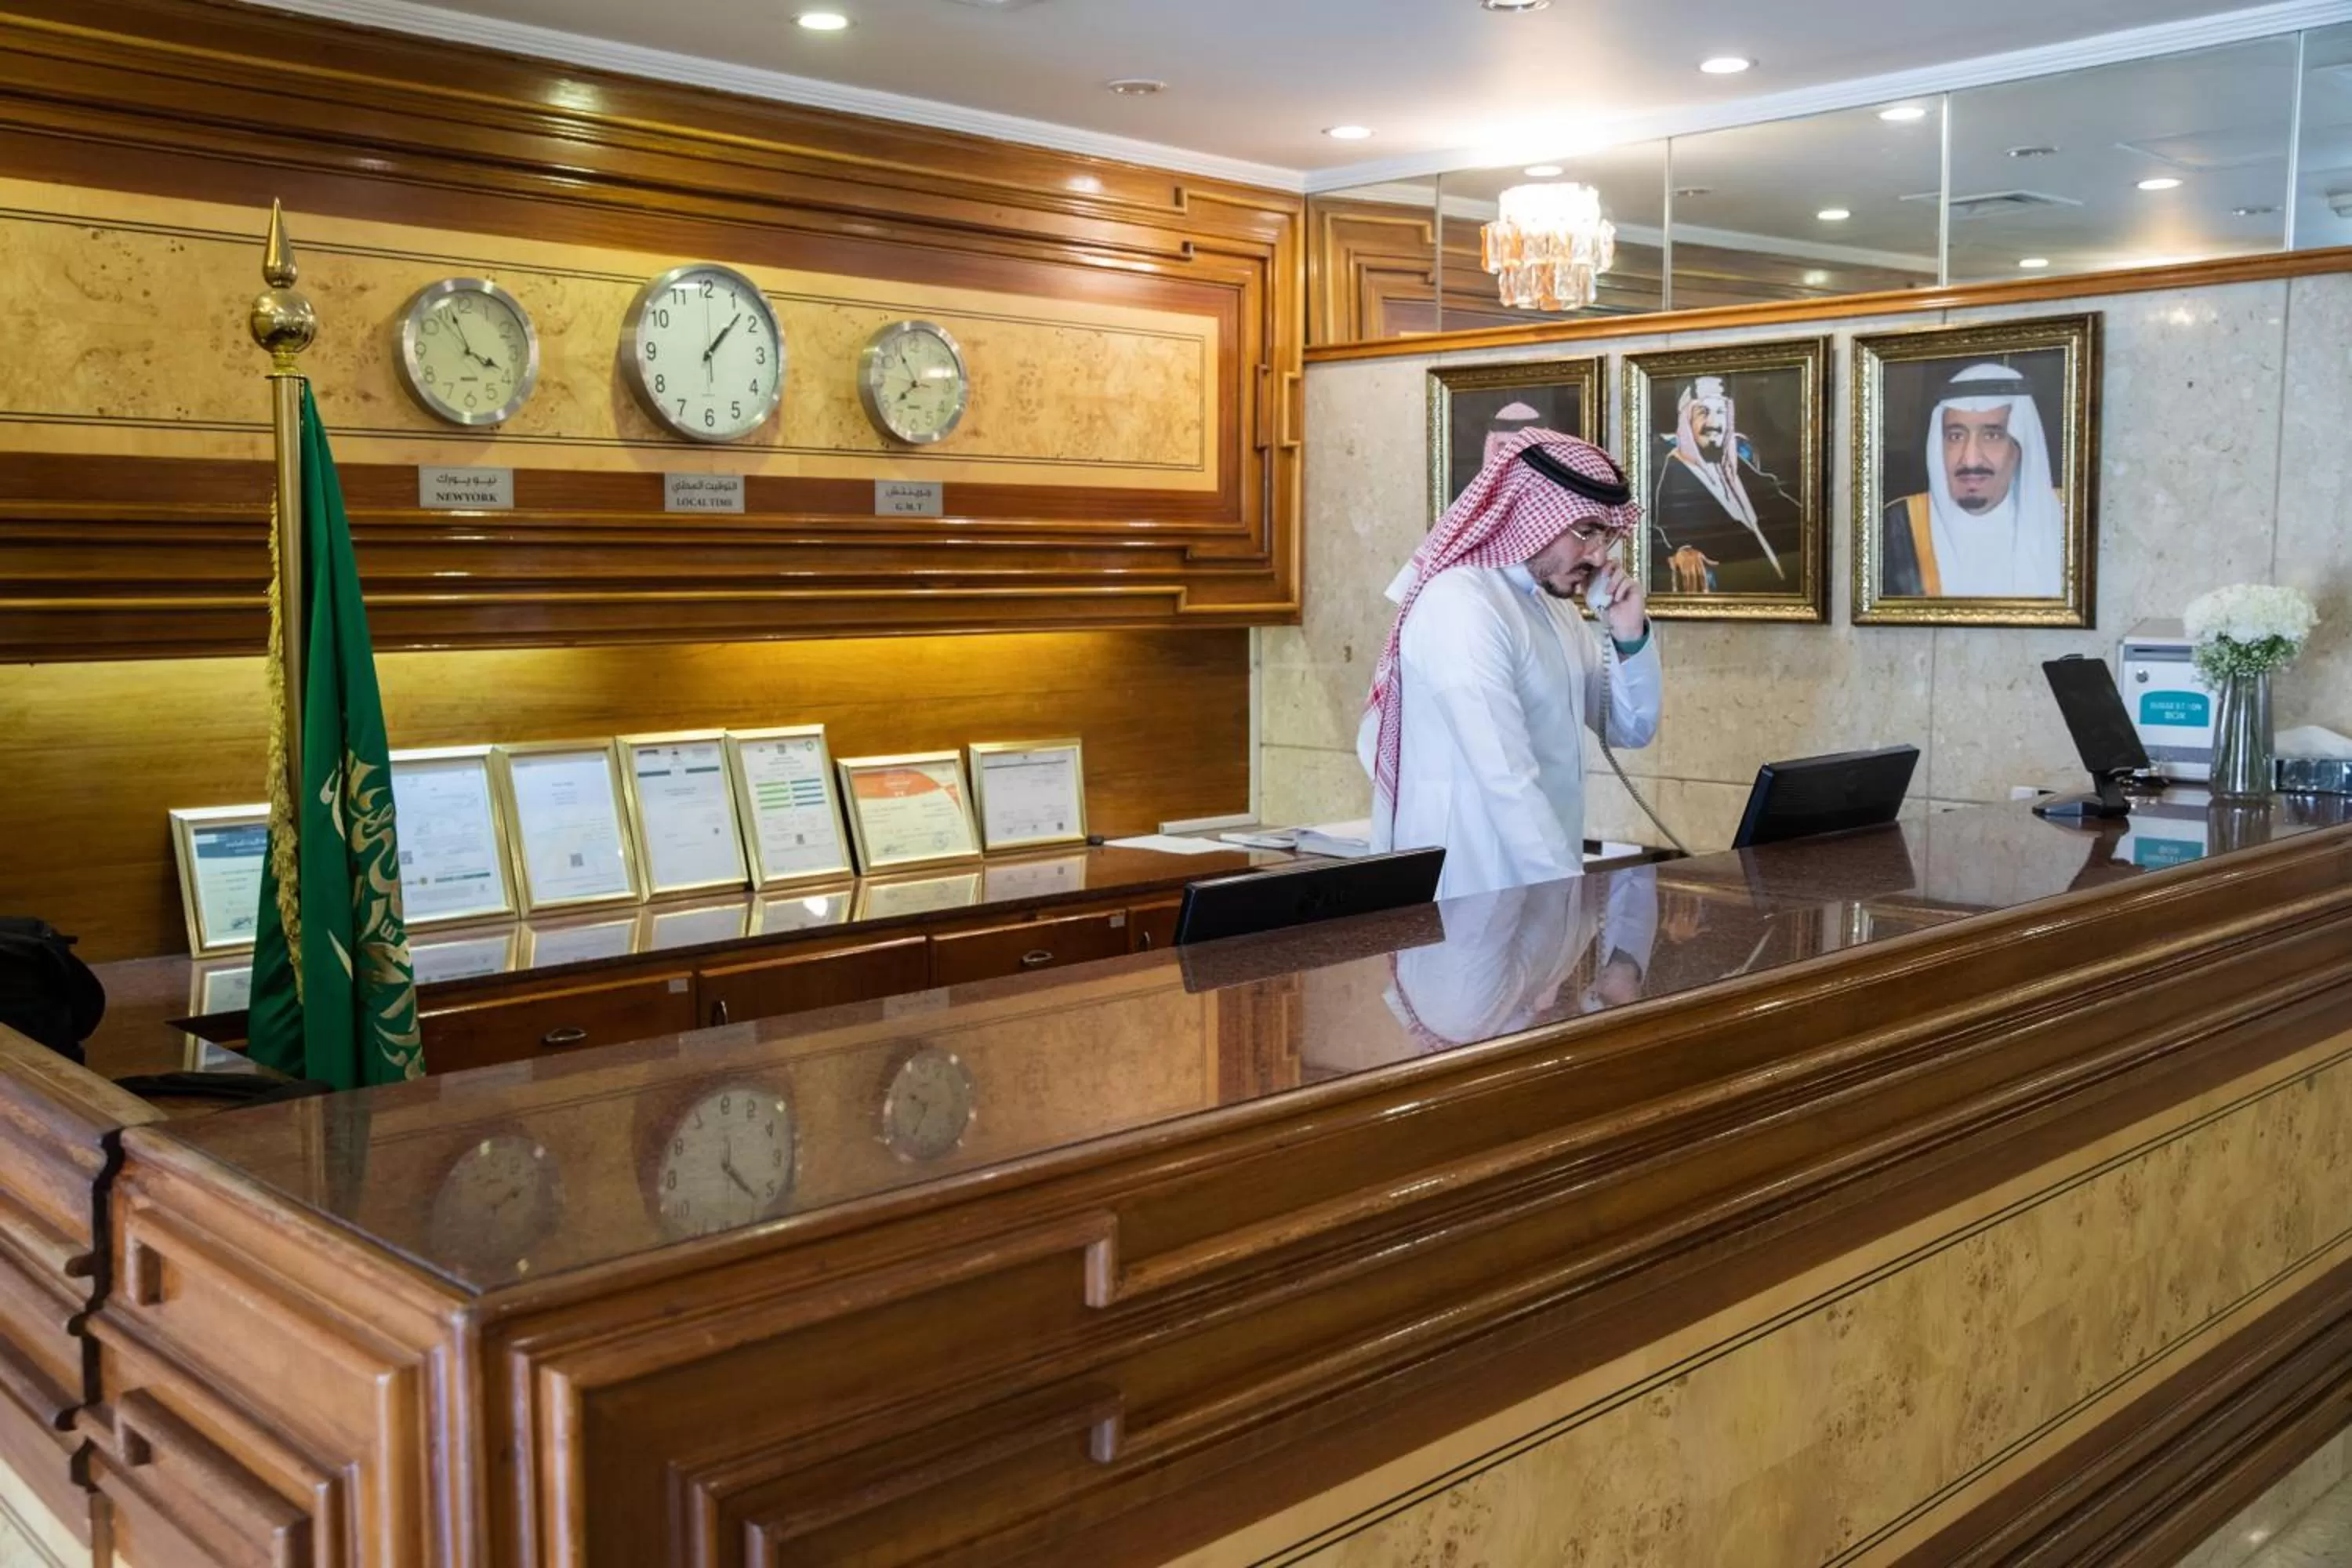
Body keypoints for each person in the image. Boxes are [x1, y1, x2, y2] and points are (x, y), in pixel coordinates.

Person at [1359, 427, 1661, 900]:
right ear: (1527, 515)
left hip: (1541, 887)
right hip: (1467, 897)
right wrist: (1568, 897)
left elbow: (1631, 727)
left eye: (1606, 535)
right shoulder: (1460, 605)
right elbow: (1506, 778)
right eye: (1584, 532)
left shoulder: (1554, 606)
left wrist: (1628, 633)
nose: (1599, 555)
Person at [1882, 361, 2064, 598]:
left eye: (1992, 435)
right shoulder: (1899, 525)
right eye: (1956, 436)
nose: (1970, 460)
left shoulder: (2066, 519)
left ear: (2020, 446)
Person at [1647, 375, 1802, 596]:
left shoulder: (1739, 466)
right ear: (1686, 421)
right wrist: (1679, 551)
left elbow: (1786, 505)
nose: (1714, 423)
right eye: (1703, 412)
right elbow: (1647, 528)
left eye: (1720, 412)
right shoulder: (1668, 469)